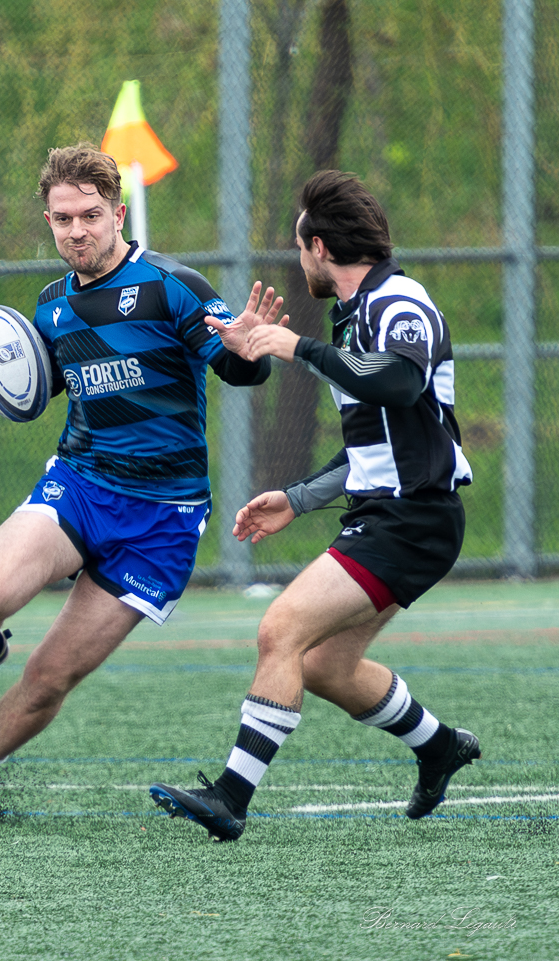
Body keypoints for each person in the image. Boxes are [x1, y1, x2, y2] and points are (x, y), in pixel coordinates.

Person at [0, 143, 284, 824]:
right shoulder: (49, 307)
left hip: (161, 519)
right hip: (82, 484)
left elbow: (237, 366)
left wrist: (251, 352)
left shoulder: (170, 286)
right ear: (48, 219)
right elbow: (39, 390)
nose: (76, 231)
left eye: (90, 216)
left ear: (118, 213)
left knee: (50, 678)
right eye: (62, 218)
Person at [150, 170, 478, 840]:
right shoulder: (355, 315)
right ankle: (439, 746)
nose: (299, 260)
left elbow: (399, 380)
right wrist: (297, 500)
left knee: (281, 630)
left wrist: (298, 348)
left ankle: (231, 799)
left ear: (320, 246)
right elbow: (373, 443)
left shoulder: (398, 301)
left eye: (299, 246)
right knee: (326, 665)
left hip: (413, 517)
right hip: (393, 513)